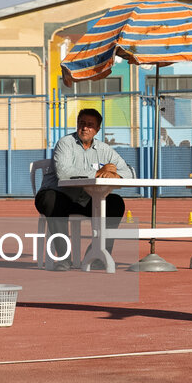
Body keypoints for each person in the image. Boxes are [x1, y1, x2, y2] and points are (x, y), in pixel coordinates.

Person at [35, 108, 132, 271]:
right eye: (81, 123)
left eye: (90, 125)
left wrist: (116, 176)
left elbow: (128, 172)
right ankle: (64, 258)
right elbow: (64, 173)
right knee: (51, 200)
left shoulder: (104, 149)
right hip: (58, 196)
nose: (85, 128)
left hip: (86, 199)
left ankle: (97, 253)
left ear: (97, 129)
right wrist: (97, 173)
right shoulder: (65, 143)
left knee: (115, 203)